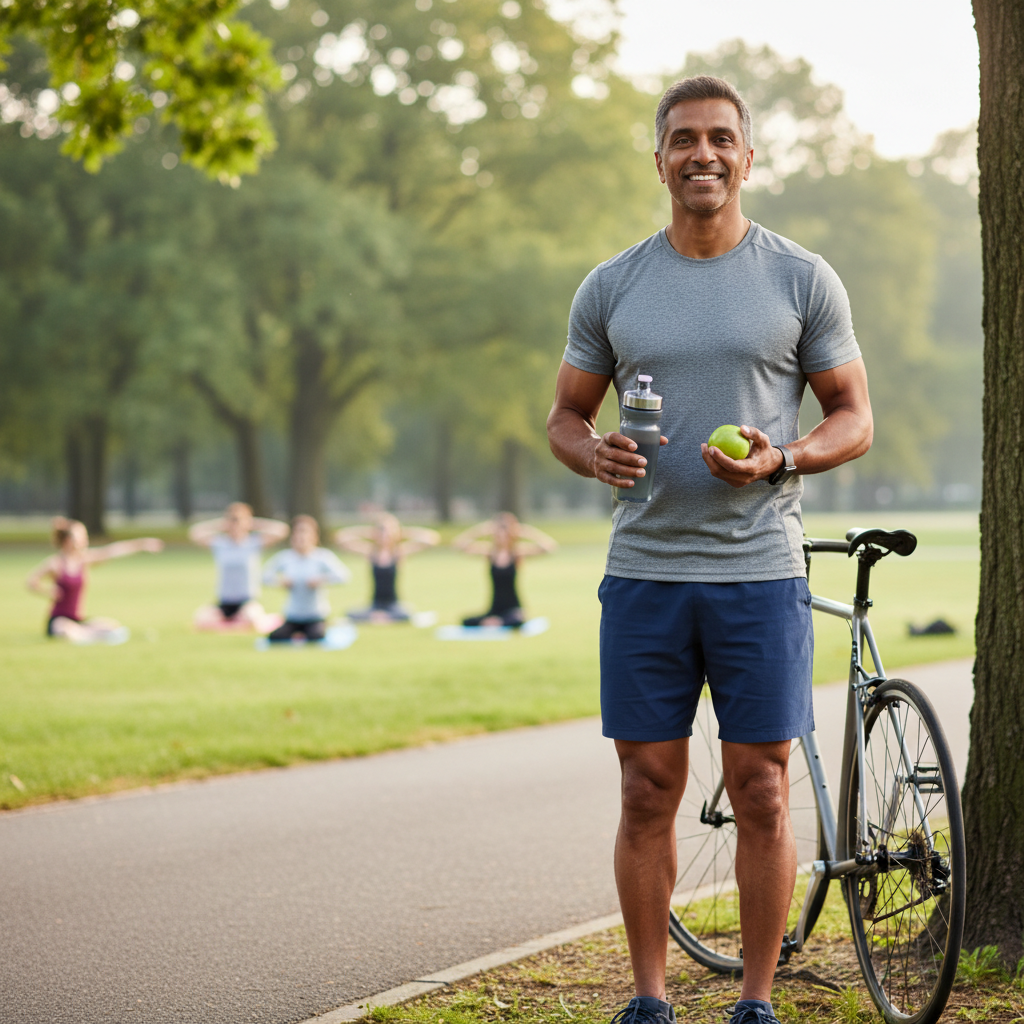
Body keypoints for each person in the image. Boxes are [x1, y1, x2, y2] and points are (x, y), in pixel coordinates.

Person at [546, 76, 873, 1024]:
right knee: (647, 788)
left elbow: (852, 414)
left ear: (747, 155)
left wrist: (786, 458)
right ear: (659, 159)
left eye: (720, 139)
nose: (703, 155)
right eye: (683, 139)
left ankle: (757, 1004)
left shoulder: (799, 278)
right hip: (645, 572)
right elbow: (565, 415)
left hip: (758, 569)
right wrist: (589, 449)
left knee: (762, 787)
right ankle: (650, 1001)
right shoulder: (613, 285)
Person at [26, 517, 164, 643]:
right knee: (68, 630)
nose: (85, 540)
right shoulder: (55, 563)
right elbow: (31, 582)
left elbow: (112, 551)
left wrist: (143, 544)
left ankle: (89, 636)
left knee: (113, 626)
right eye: (81, 536)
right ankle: (88, 637)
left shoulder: (84, 560)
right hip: (59, 621)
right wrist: (49, 592)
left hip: (78, 620)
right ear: (68, 540)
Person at [188, 503, 289, 631]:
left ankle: (240, 622)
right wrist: (220, 525)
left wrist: (253, 523)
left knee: (251, 619)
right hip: (225, 602)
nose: (235, 524)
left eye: (238, 520)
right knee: (201, 619)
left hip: (246, 601)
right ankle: (233, 622)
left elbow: (282, 529)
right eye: (232, 520)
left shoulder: (253, 543)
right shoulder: (220, 544)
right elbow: (194, 533)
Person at [451, 512, 557, 628]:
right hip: (495, 608)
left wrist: (526, 531)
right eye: (498, 533)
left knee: (516, 621)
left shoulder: (516, 554)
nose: (501, 536)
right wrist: (480, 530)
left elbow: (549, 547)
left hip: (513, 608)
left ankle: (497, 622)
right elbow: (458, 545)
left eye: (505, 532)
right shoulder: (490, 554)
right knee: (466, 621)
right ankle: (495, 621)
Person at [335, 513, 440, 623]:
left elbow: (431, 539)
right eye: (381, 532)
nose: (384, 535)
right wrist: (368, 532)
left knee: (406, 613)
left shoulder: (398, 554)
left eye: (387, 532)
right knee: (351, 613)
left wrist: (401, 532)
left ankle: (380, 617)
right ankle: (382, 617)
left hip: (393, 605)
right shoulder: (371, 553)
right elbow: (341, 538)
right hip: (375, 605)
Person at [260, 515, 350, 641]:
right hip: (293, 616)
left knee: (316, 636)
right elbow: (264, 576)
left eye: (305, 533)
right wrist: (280, 582)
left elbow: (343, 576)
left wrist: (321, 579)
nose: (301, 537)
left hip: (315, 615)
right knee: (276, 637)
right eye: (298, 533)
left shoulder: (322, 557)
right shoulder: (285, 557)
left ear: (314, 536)